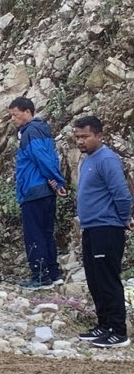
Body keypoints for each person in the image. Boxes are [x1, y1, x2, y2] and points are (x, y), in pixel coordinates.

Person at [71, 116, 132, 348]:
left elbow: (122, 194)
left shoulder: (106, 159)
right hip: (91, 228)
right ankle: (104, 325)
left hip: (107, 228)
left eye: (85, 136)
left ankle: (118, 331)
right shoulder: (87, 160)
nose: (80, 141)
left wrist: (123, 218)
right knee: (95, 280)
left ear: (99, 135)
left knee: (107, 280)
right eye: (77, 137)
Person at [9, 96, 67, 290]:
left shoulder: (30, 132)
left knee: (34, 234)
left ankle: (40, 276)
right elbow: (51, 157)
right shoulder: (43, 129)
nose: (13, 119)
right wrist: (55, 182)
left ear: (27, 112)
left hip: (33, 190)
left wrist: (57, 180)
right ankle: (53, 274)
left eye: (15, 115)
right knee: (47, 232)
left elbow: (41, 158)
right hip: (46, 191)